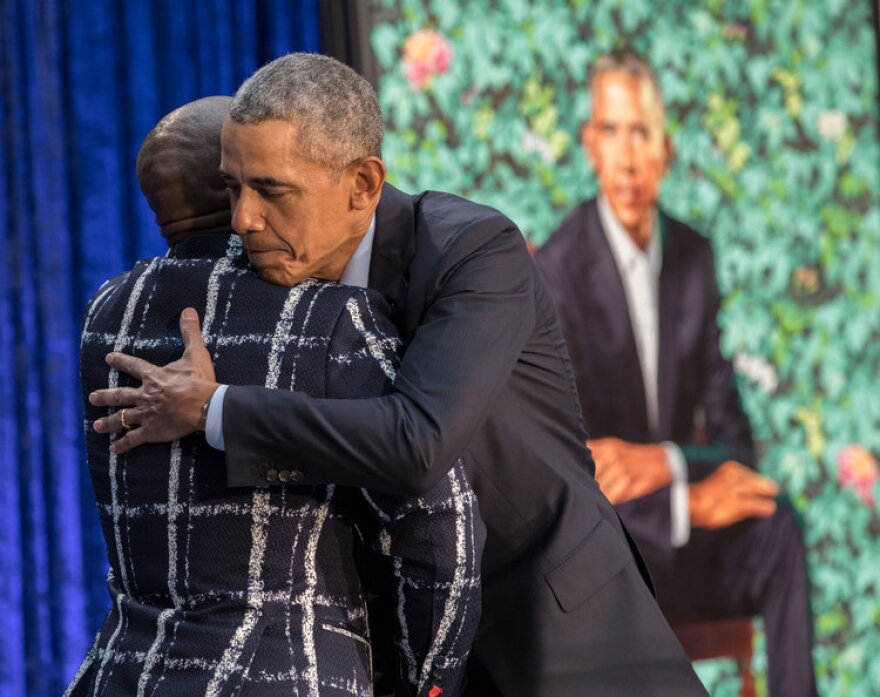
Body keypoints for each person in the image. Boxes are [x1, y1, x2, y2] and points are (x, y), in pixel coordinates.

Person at [88, 53, 707, 695]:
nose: (243, 218)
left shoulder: (474, 250)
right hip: (409, 647)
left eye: (270, 190)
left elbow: (418, 443)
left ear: (362, 184)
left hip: (563, 626)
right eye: (233, 186)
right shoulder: (274, 284)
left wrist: (213, 409)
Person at [69, 96, 484, 697]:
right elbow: (439, 537)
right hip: (286, 676)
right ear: (233, 184)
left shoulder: (107, 312)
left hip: (122, 673)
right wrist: (429, 683)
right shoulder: (328, 317)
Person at [535, 49, 817, 696]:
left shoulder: (694, 256)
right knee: (584, 522)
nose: (627, 156)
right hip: (615, 556)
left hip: (684, 545)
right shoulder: (557, 272)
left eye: (641, 132)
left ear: (667, 147)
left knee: (776, 520)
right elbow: (576, 475)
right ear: (589, 144)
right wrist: (687, 502)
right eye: (610, 130)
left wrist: (667, 463)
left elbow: (734, 444)